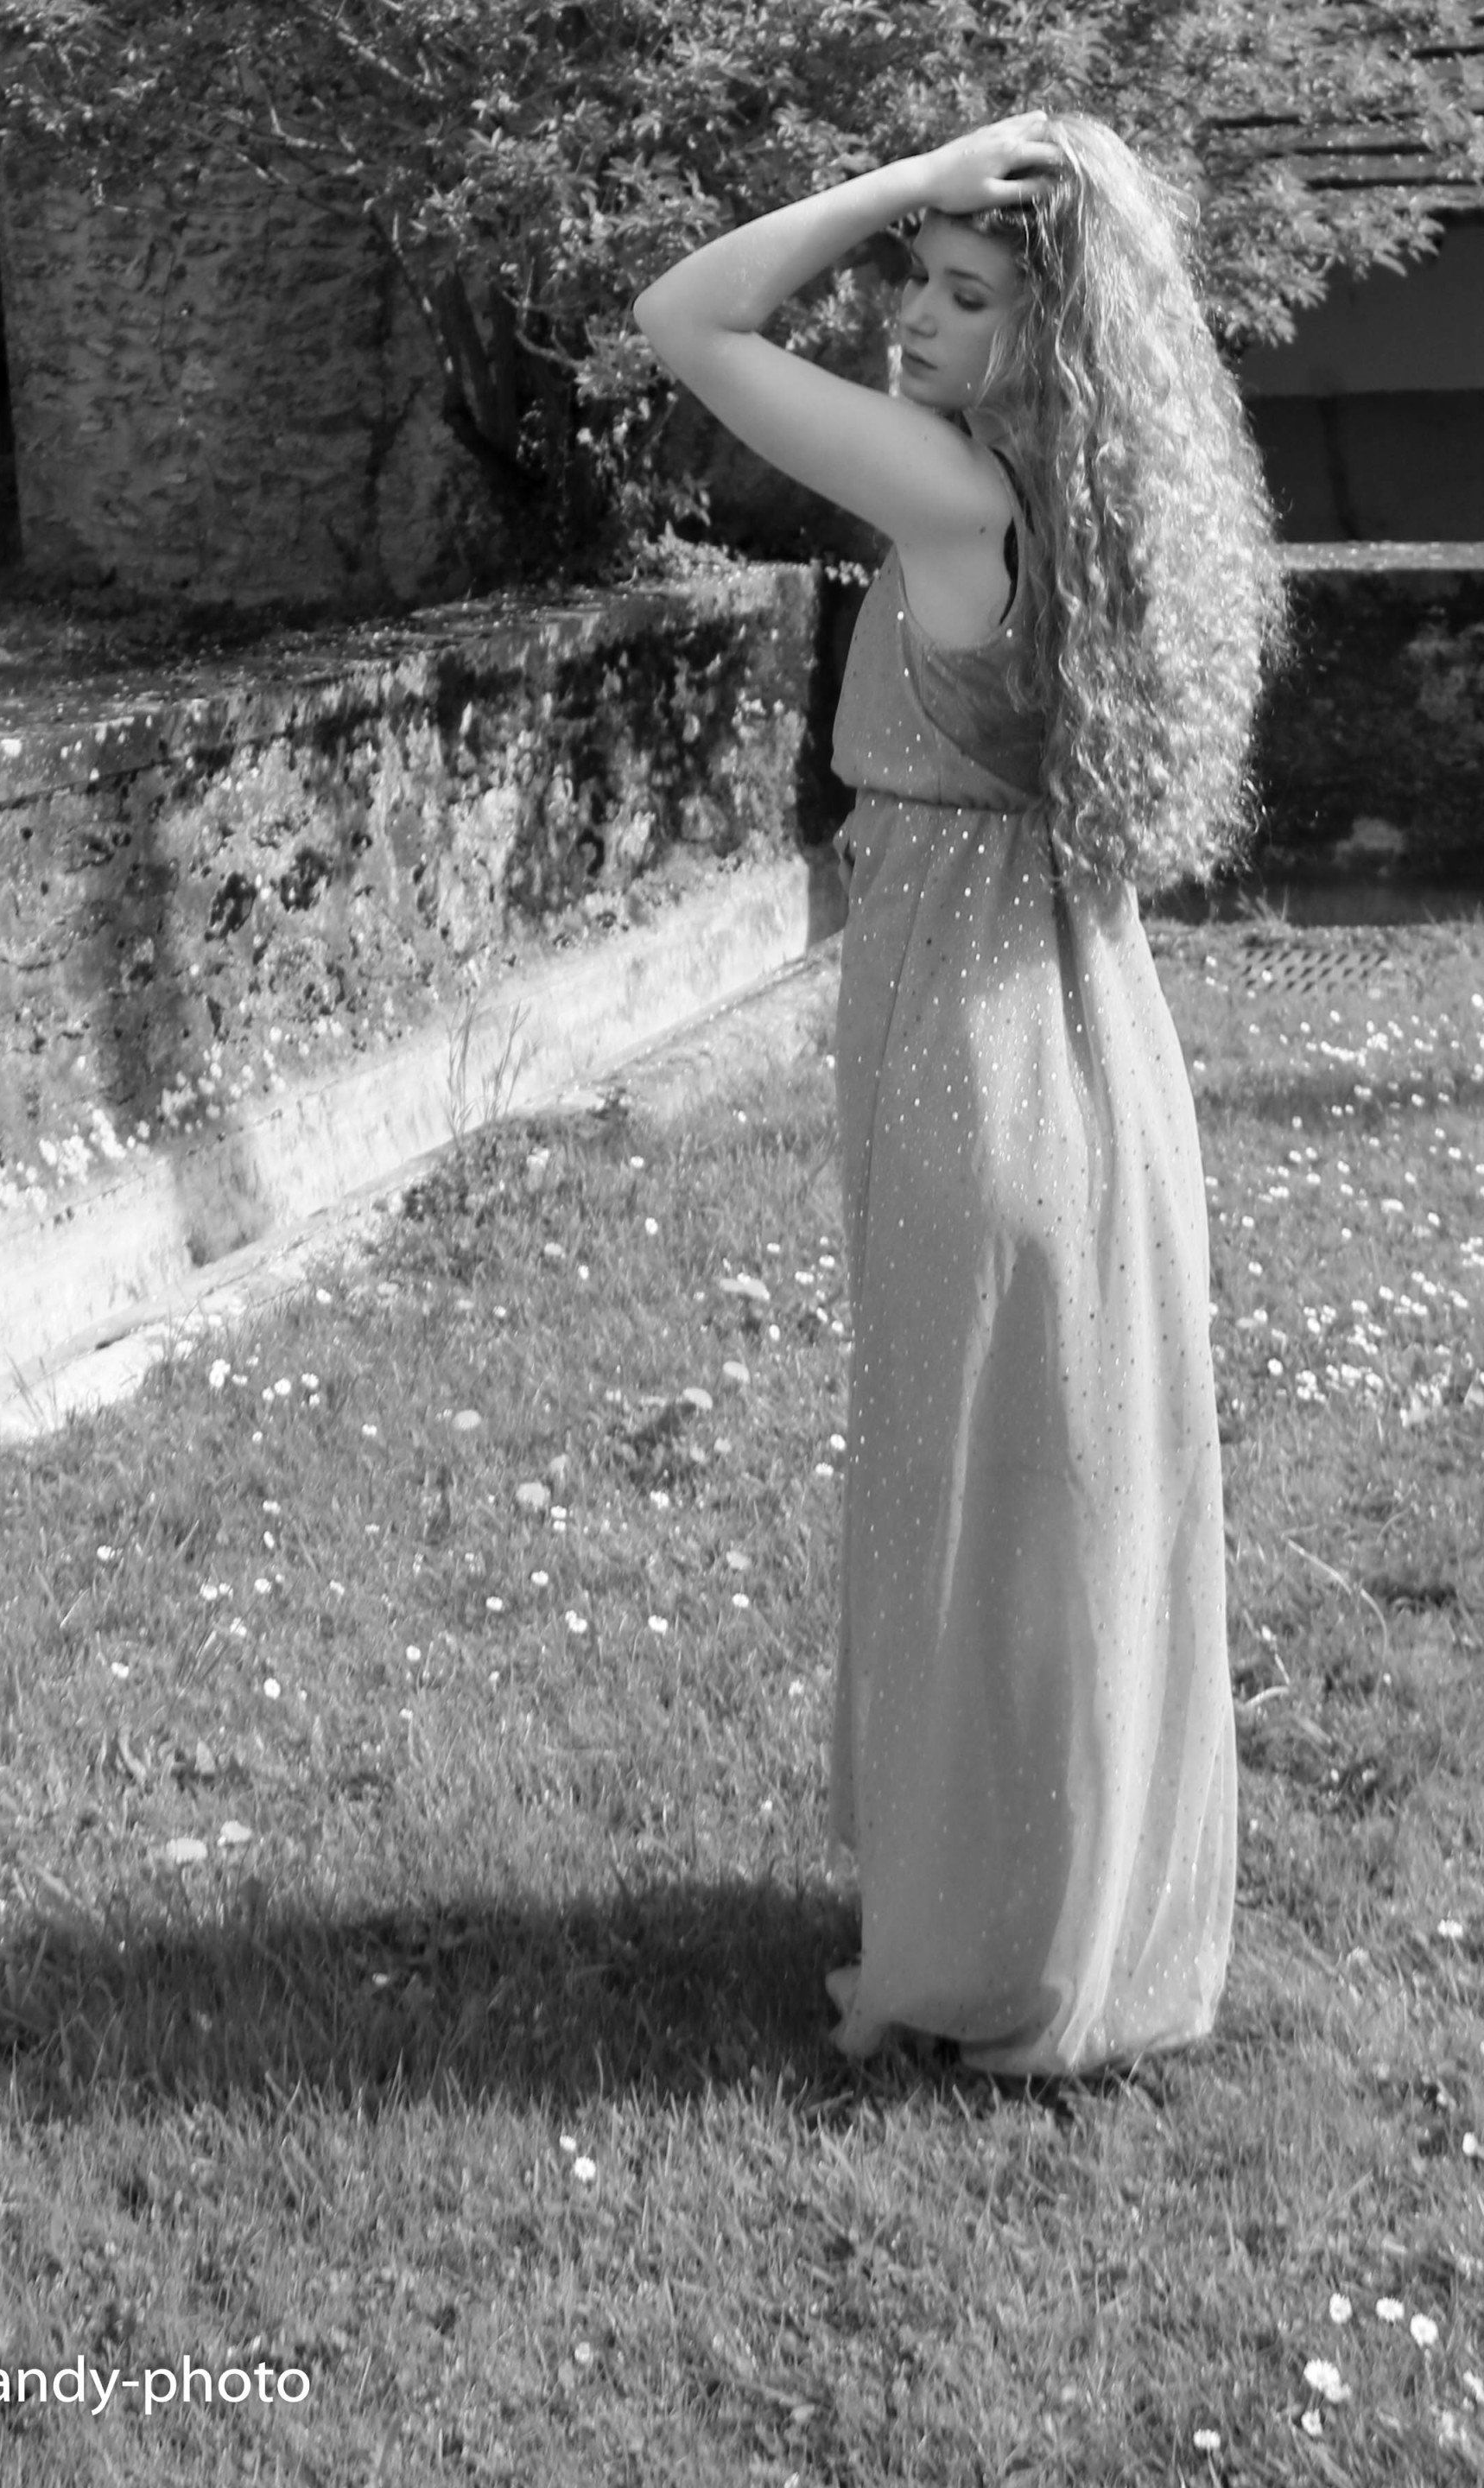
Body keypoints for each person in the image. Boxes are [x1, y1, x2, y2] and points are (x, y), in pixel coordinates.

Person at [633, 113, 1285, 2082]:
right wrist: (958, 201)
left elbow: (686, 318)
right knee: (1060, 1500)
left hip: (974, 1055)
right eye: (912, 280)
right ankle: (1051, 1913)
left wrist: (916, 163)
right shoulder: (1095, 496)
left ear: (1052, 333)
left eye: (969, 292)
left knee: (967, 1503)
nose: (912, 319)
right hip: (1087, 1042)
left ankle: (981, 1948)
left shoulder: (948, 494)